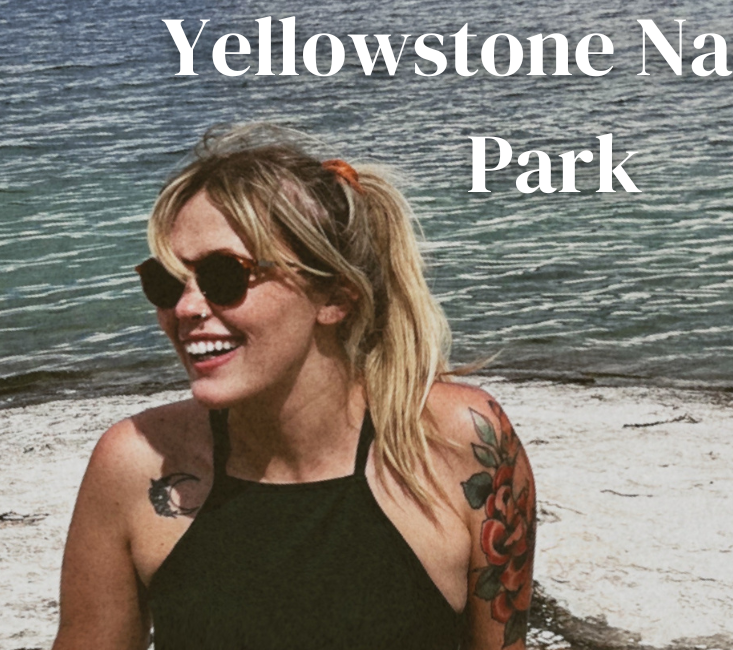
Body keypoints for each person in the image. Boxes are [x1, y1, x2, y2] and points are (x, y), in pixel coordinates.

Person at [52, 124, 535, 650]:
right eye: (166, 282)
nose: (185, 309)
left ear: (335, 297)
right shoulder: (135, 462)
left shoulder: (461, 444)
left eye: (224, 276)